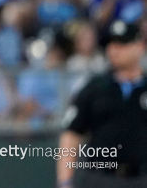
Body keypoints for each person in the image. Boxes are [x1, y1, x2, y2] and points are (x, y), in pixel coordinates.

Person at [56, 19, 147, 188]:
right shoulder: (95, 88)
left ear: (139, 46)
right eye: (111, 44)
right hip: (100, 178)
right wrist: (65, 182)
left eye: (122, 44)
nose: (114, 50)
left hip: (141, 178)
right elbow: (71, 134)